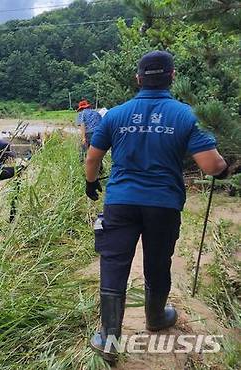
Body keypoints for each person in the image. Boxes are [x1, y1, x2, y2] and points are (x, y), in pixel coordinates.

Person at [84, 50, 229, 361]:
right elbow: (211, 165)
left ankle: (109, 338)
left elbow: (93, 158)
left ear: (138, 79)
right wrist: (224, 169)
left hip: (121, 201)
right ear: (172, 76)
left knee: (113, 262)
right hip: (162, 204)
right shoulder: (187, 115)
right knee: (158, 262)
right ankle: (155, 317)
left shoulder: (116, 115)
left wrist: (91, 182)